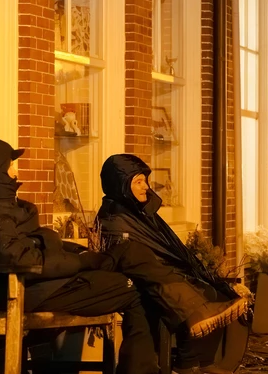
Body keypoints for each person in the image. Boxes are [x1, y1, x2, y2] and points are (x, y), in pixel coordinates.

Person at [0, 137, 159, 374]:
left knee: (131, 263)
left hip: (41, 285)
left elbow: (29, 248)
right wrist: (80, 261)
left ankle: (182, 323)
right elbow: (21, 260)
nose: (15, 171)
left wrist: (78, 252)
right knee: (136, 289)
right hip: (24, 292)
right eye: (9, 166)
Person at [96, 154, 248, 374]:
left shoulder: (141, 212)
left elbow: (163, 245)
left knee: (213, 289)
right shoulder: (113, 216)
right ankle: (187, 363)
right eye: (138, 182)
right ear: (121, 184)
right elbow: (129, 254)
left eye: (145, 181)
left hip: (158, 273)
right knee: (197, 292)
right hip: (140, 281)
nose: (145, 187)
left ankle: (200, 361)